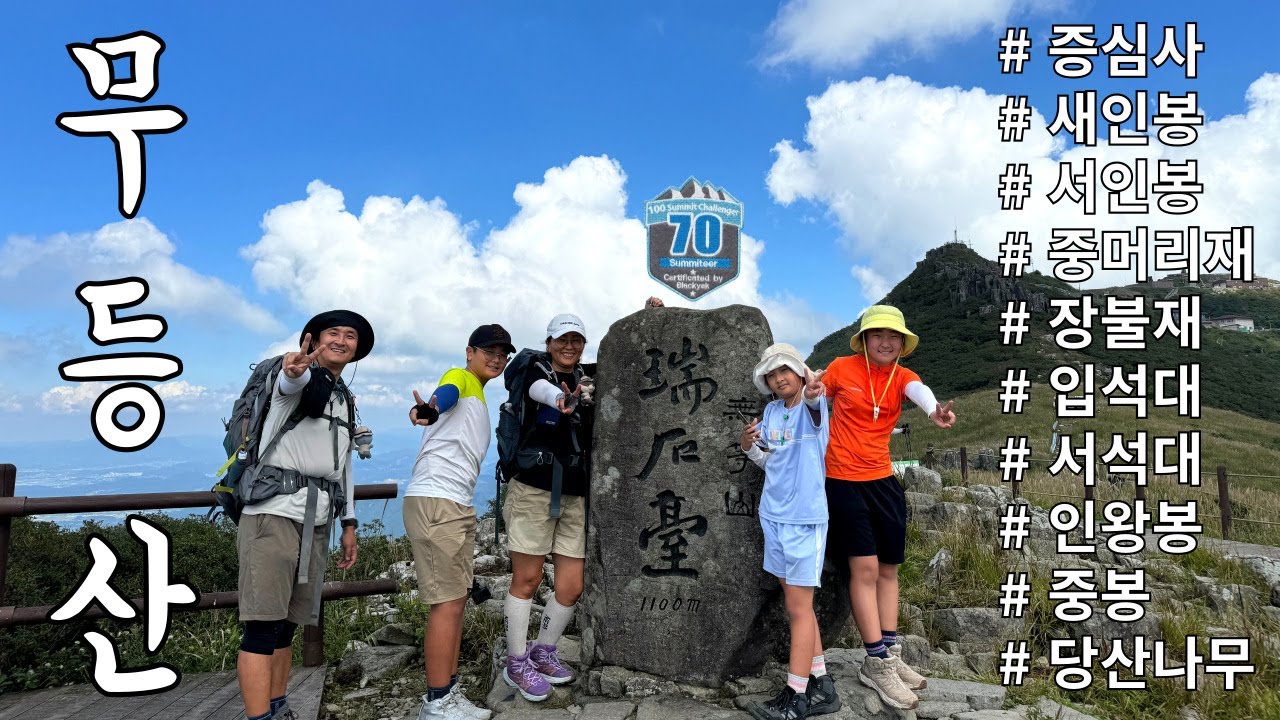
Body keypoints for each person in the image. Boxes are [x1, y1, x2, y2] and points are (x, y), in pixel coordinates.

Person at [237, 310, 373, 720]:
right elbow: (288, 383)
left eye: (350, 336)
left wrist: (348, 522)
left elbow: (343, 464)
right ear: (312, 340)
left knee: (288, 625)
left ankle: (277, 706)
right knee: (262, 626)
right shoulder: (293, 382)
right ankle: (259, 716)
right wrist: (293, 372)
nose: (342, 340)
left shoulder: (343, 397)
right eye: (334, 332)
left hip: (318, 520)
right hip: (273, 514)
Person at [823, 305, 955, 712]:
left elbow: (922, 395)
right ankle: (876, 662)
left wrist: (934, 412)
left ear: (902, 343)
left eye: (894, 336)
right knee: (863, 570)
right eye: (877, 334)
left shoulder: (903, 377)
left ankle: (891, 652)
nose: (885, 341)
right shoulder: (841, 368)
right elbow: (810, 393)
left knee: (888, 569)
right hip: (843, 480)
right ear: (863, 339)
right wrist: (806, 390)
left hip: (883, 480)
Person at [406, 324, 515, 720]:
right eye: (490, 350)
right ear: (469, 351)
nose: (497, 358)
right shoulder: (460, 378)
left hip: (452, 503)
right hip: (439, 502)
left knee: (454, 602)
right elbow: (442, 397)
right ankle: (437, 703)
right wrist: (429, 409)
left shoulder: (478, 394)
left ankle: (447, 693)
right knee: (447, 605)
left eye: (503, 353)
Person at [741, 343, 842, 720]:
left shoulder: (810, 407)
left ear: (800, 373)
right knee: (796, 604)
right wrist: (748, 446)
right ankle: (822, 684)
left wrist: (816, 395)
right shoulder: (770, 411)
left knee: (799, 609)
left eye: (785, 370)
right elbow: (771, 461)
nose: (779, 378)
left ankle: (795, 696)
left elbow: (816, 406)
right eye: (771, 373)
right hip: (774, 515)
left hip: (804, 519)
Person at [501, 313, 595, 701]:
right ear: (549, 341)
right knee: (527, 578)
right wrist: (561, 398)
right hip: (534, 489)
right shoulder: (532, 369)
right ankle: (516, 662)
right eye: (562, 339)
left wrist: (654, 318)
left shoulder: (589, 377)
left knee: (571, 585)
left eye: (576, 340)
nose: (569, 346)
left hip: (575, 492)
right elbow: (540, 389)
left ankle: (544, 651)